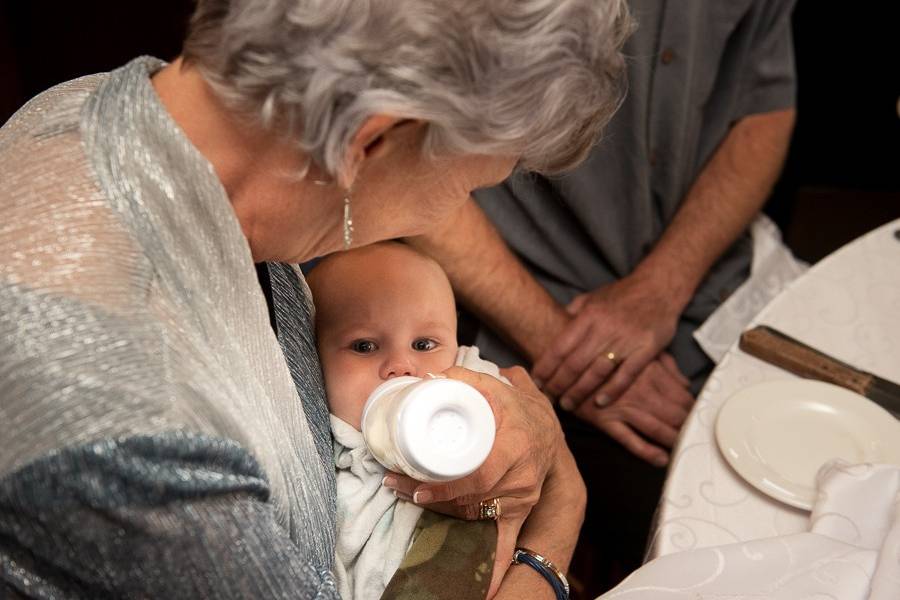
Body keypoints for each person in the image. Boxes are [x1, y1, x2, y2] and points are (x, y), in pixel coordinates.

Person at [0, 0, 632, 598]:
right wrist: (556, 525)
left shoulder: (97, 112)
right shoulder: (132, 428)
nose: (454, 208)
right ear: (370, 142)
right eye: (471, 183)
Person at [408, 0, 798, 593]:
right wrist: (570, 348)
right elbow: (401, 154)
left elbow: (763, 104)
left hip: (717, 284)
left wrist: (663, 286)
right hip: (516, 310)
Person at [308, 241, 581, 600]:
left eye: (423, 345)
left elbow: (524, 437)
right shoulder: (319, 458)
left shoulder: (475, 390)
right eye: (364, 346)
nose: (401, 366)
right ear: (312, 362)